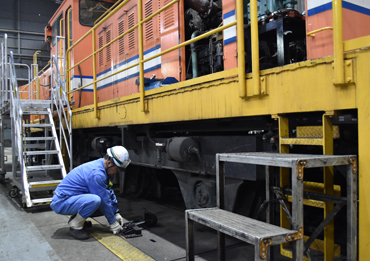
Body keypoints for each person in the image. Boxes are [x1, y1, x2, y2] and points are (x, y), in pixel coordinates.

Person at [50, 146, 131, 240]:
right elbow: (104, 200)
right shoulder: (97, 174)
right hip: (61, 202)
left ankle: (77, 218)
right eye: (117, 169)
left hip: (71, 199)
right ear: (109, 163)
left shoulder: (102, 167)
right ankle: (76, 225)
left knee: (101, 203)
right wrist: (112, 222)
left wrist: (116, 212)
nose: (117, 172)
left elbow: (108, 190)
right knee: (96, 200)